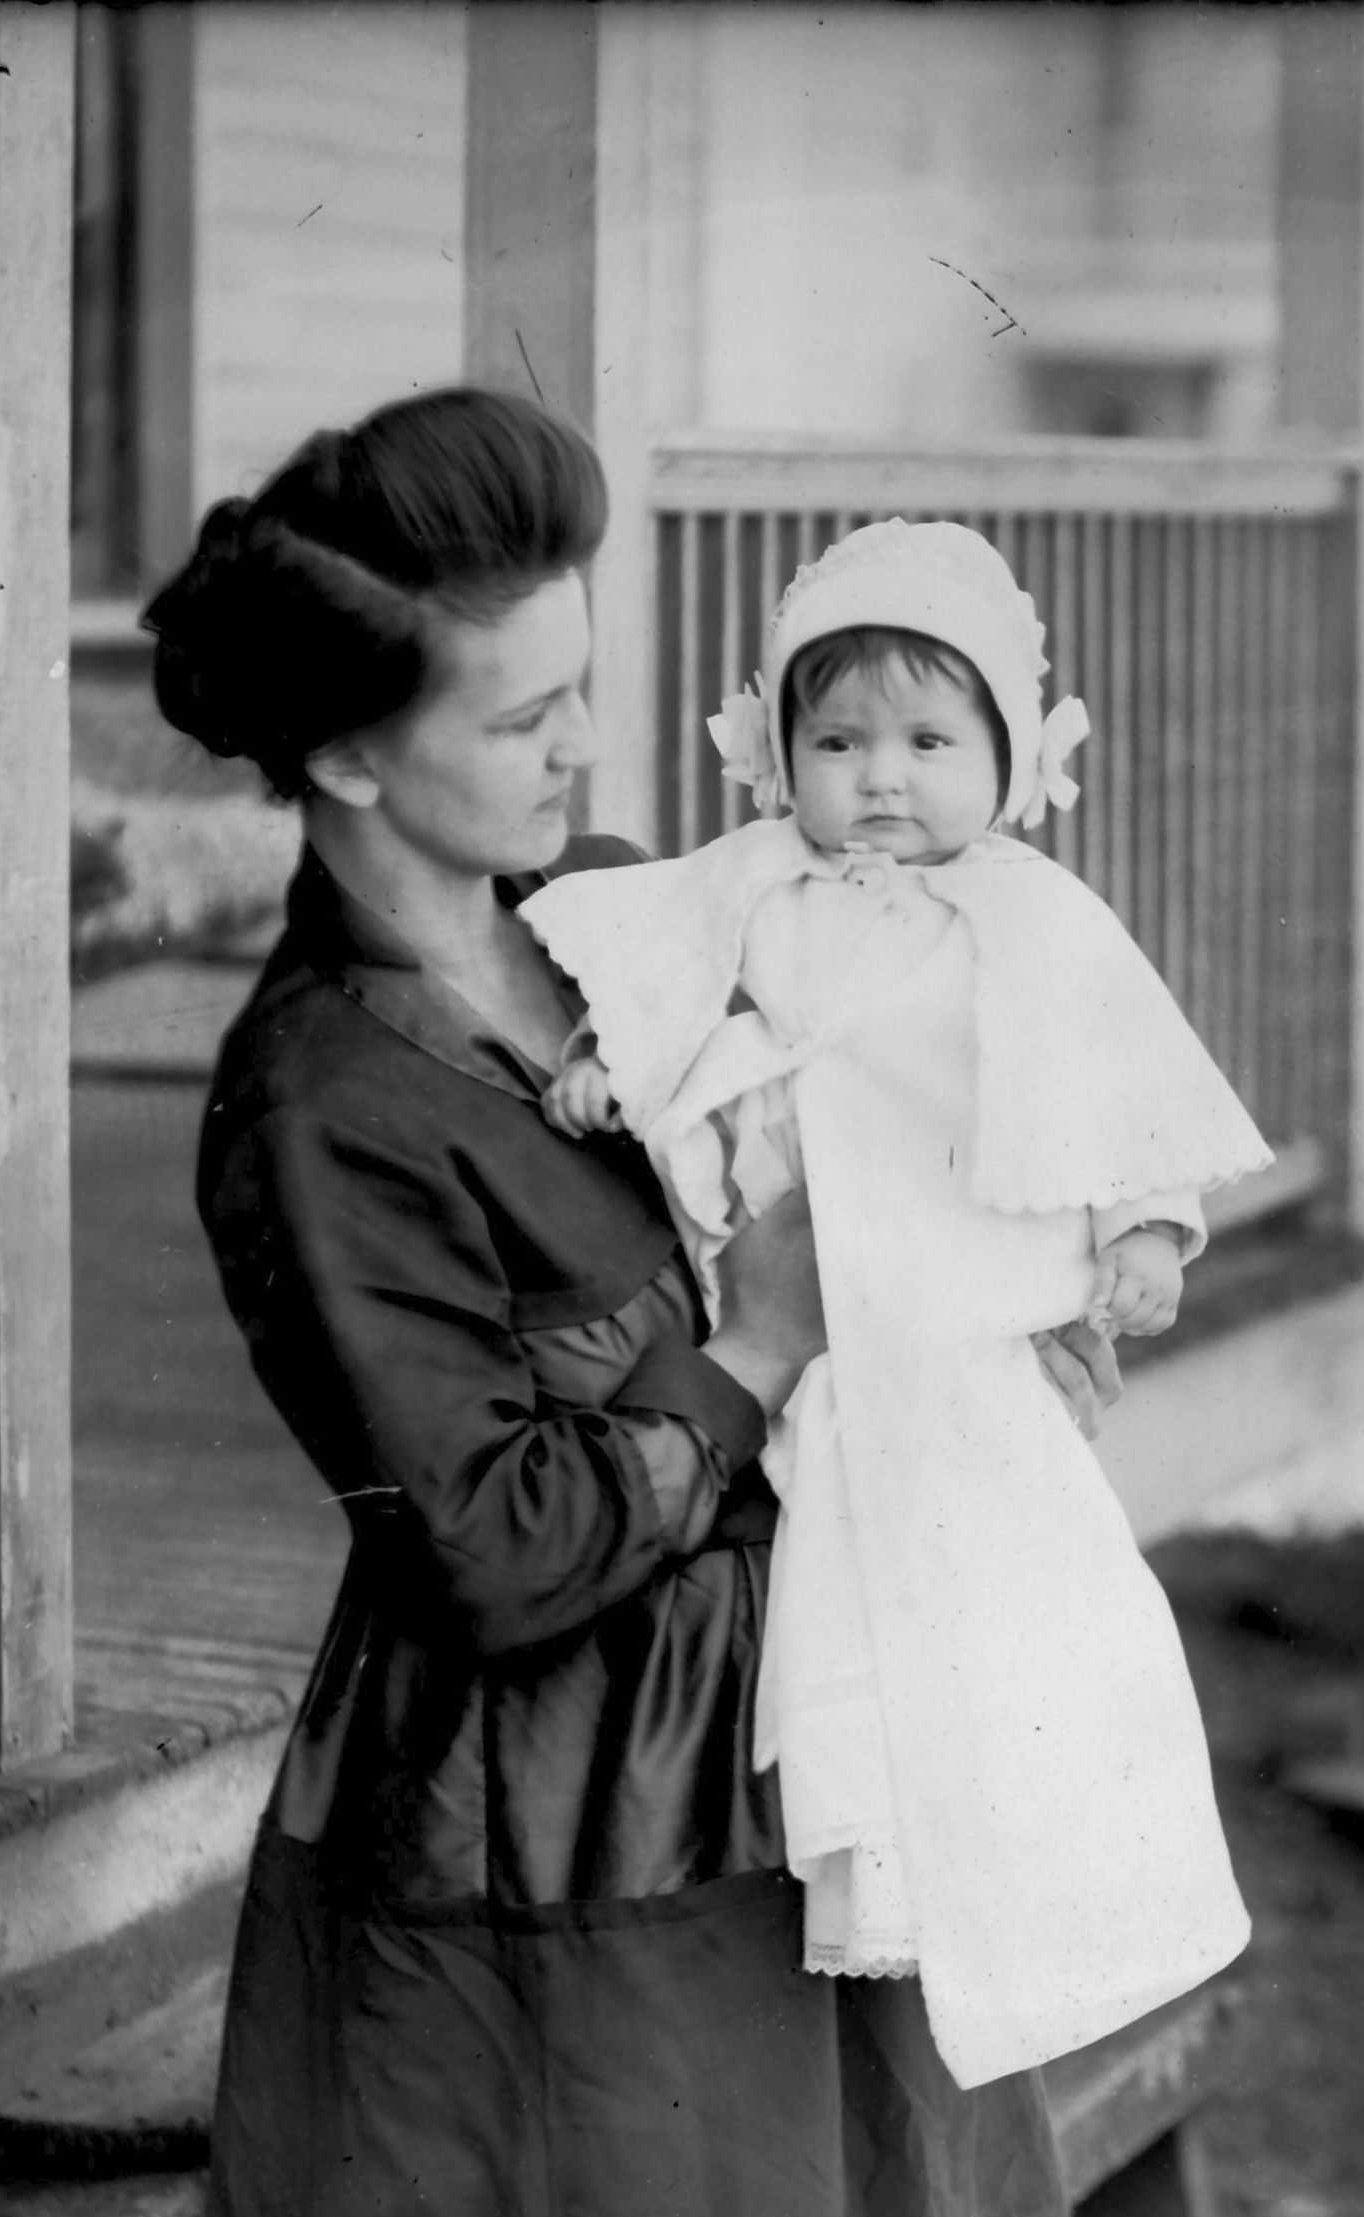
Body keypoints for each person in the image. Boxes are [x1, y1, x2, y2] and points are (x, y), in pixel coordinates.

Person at [143, 395, 1114, 2217]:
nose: (585, 743)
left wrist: (999, 1306)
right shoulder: (323, 1105)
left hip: (813, 1752)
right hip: (570, 1840)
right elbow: (490, 1551)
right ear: (347, 755)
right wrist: (759, 1346)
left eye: (579, 684)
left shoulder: (614, 906)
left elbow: (874, 1104)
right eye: (524, 717)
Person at [520, 516, 1268, 2095]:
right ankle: (884, 1858)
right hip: (811, 1282)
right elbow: (663, 968)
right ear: (777, 752)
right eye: (838, 740)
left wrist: (1144, 1227)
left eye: (930, 742)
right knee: (849, 1582)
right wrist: (611, 1056)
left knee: (1027, 1586)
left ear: (1011, 757)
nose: (880, 778)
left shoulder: (1034, 913)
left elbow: (1118, 1077)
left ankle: (1066, 1886)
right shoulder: (759, 879)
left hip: (960, 1304)